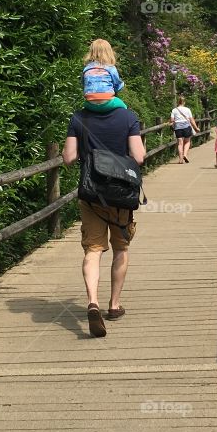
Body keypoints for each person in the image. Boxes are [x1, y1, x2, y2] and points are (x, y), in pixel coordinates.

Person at [62, 103, 145, 337]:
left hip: (91, 195)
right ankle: (114, 305)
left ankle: (93, 302)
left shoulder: (79, 117)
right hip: (121, 195)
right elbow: (138, 156)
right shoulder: (128, 116)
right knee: (121, 248)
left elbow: (69, 157)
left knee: (93, 250)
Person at [82, 38, 127, 112]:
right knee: (124, 107)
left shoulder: (86, 68)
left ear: (91, 52)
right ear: (109, 53)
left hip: (90, 103)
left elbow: (83, 84)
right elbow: (117, 85)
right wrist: (122, 85)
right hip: (107, 101)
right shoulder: (110, 67)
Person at [170, 96, 200, 163]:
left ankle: (180, 159)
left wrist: (174, 121)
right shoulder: (187, 109)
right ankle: (185, 155)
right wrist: (196, 127)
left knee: (180, 144)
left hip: (178, 127)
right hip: (186, 126)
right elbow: (191, 120)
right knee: (187, 141)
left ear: (178, 102)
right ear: (184, 102)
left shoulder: (174, 110)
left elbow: (172, 120)